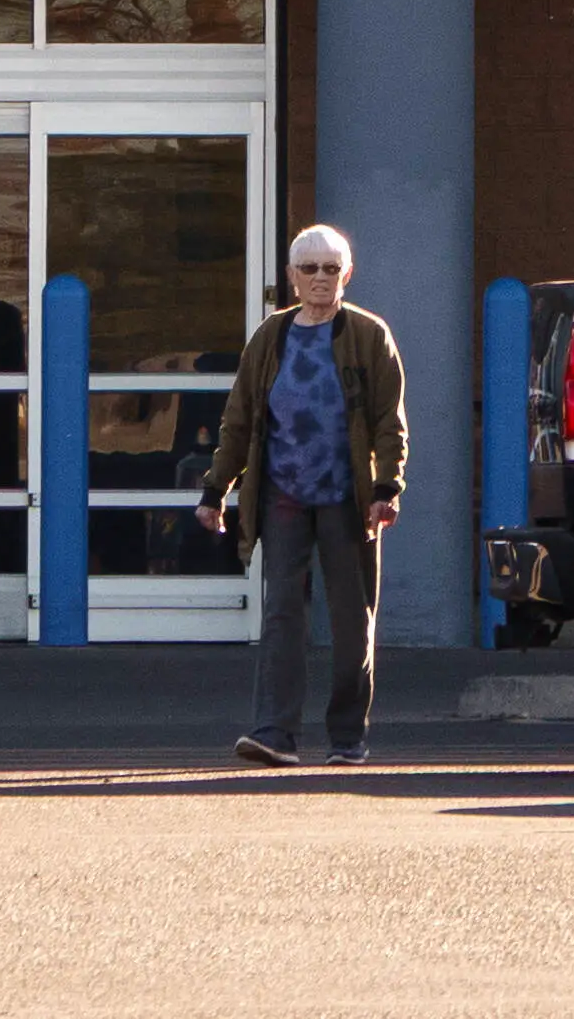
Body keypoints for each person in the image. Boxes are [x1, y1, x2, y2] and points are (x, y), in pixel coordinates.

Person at [199, 222, 407, 767]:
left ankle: (347, 738)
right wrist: (215, 489)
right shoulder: (271, 336)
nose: (320, 278)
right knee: (283, 616)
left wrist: (388, 487)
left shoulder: (369, 334)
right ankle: (275, 734)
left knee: (350, 619)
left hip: (348, 498)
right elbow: (239, 420)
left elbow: (390, 421)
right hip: (283, 495)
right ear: (291, 277)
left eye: (331, 268)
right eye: (309, 269)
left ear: (347, 275)